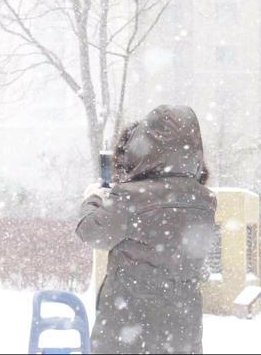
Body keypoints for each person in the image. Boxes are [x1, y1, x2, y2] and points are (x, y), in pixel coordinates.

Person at [75, 105, 217, 354]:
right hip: (183, 331)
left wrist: (95, 200)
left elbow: (90, 231)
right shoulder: (204, 201)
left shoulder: (131, 199)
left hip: (129, 330)